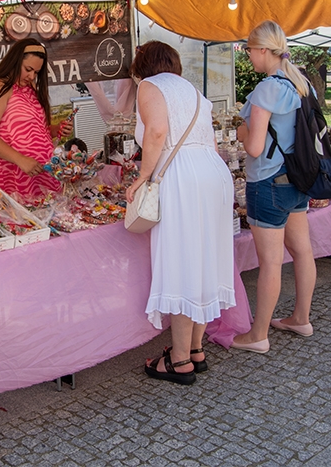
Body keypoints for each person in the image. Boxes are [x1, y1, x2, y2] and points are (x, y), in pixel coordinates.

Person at [125, 41, 235, 386]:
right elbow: (211, 141)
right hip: (212, 172)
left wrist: (143, 176)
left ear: (141, 65)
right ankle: (196, 349)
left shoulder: (149, 85)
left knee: (182, 260)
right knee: (204, 260)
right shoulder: (194, 92)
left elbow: (157, 131)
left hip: (182, 176)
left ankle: (180, 359)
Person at [232, 21, 317, 354]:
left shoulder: (267, 88)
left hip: (267, 182)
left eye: (250, 50)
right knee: (302, 251)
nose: (249, 56)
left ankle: (258, 335)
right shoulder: (298, 81)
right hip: (297, 179)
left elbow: (253, 147)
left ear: (263, 50)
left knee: (270, 262)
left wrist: (242, 132)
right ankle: (301, 318)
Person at [0, 38, 71, 200]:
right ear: (15, 61)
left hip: (41, 175)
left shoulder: (30, 87)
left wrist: (54, 129)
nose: (32, 76)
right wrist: (20, 160)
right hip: (11, 177)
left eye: (36, 72)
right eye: (28, 69)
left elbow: (34, 129)